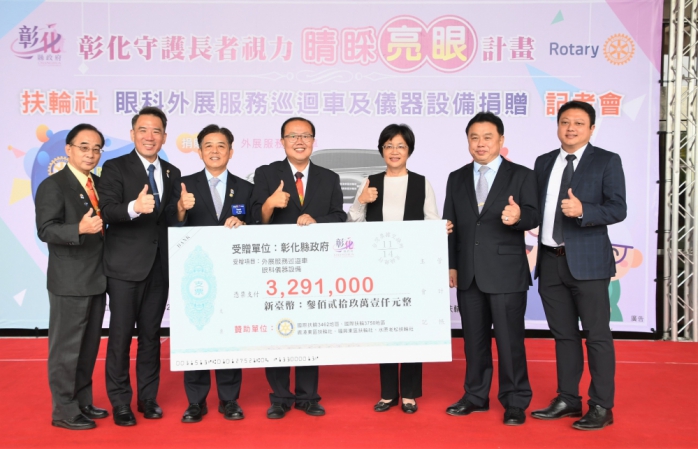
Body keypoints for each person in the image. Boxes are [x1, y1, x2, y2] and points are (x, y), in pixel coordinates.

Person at [531, 101, 626, 430]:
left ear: (591, 129)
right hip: (550, 261)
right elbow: (536, 208)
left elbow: (618, 208)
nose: (571, 128)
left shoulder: (607, 161)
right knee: (564, 336)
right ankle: (568, 399)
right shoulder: (544, 162)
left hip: (589, 264)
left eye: (579, 123)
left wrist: (584, 210)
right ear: (557, 126)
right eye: (565, 122)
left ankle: (601, 405)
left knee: (597, 336)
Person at [347, 123, 451, 414]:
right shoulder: (369, 182)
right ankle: (388, 393)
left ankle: (409, 394)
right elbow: (352, 225)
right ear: (381, 150)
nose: (394, 151)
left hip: (412, 269)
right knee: (386, 329)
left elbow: (432, 221)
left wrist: (442, 230)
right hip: (379, 268)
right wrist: (360, 201)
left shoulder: (421, 183)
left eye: (401, 146)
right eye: (389, 146)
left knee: (411, 329)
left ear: (409, 151)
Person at [443, 112, 539, 426]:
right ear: (468, 141)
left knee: (510, 342)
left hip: (506, 272)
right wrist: (451, 265)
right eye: (474, 138)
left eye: (487, 137)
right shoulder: (456, 177)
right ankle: (475, 396)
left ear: (501, 140)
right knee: (474, 341)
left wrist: (519, 217)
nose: (480, 143)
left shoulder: (522, 175)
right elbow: (450, 225)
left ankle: (515, 400)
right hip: (468, 273)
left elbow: (534, 215)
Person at [250, 116, 347, 419]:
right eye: (292, 136)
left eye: (305, 135)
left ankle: (308, 396)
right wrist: (270, 204)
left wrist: (317, 221)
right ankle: (279, 397)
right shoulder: (267, 174)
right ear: (282, 142)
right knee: (277, 329)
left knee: (308, 330)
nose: (299, 141)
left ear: (313, 141)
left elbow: (340, 217)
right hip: (276, 267)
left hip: (314, 269)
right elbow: (255, 219)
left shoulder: (329, 177)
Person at [99, 107, 182, 426]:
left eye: (156, 130)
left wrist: (182, 210)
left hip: (159, 268)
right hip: (124, 268)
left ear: (164, 136)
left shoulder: (172, 172)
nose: (150, 136)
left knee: (151, 336)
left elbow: (170, 218)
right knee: (120, 337)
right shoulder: (115, 167)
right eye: (143, 130)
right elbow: (107, 210)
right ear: (133, 134)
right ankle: (121, 401)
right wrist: (135, 207)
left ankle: (148, 398)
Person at [166, 124, 253, 423]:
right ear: (199, 151)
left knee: (229, 334)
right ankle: (196, 401)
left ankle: (229, 399)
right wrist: (180, 208)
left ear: (231, 151)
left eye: (221, 146)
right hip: (194, 273)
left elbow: (256, 227)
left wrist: (244, 226)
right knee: (196, 332)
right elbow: (170, 224)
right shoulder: (182, 184)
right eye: (208, 146)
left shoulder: (246, 188)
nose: (215, 151)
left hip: (232, 273)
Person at [35, 124, 109, 430]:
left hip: (97, 278)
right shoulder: (53, 185)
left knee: (88, 347)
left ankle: (82, 401)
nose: (90, 154)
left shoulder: (99, 185)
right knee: (66, 349)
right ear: (68, 149)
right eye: (84, 147)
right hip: (69, 281)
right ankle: (64, 410)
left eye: (96, 149)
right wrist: (78, 228)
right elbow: (46, 229)